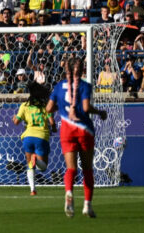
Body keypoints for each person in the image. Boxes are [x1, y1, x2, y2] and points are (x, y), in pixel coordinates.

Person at [46, 57, 108, 218]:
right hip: (84, 129)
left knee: (71, 168)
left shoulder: (59, 86)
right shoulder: (85, 85)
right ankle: (87, 205)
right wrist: (99, 112)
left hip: (66, 130)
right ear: (81, 70)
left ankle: (69, 193)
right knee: (87, 169)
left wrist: (63, 107)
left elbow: (48, 108)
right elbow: (86, 107)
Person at [12, 82, 56, 196]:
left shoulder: (24, 106)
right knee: (43, 167)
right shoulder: (45, 106)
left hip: (28, 137)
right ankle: (36, 158)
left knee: (30, 165)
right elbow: (52, 122)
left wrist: (14, 118)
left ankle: (33, 190)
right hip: (41, 136)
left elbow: (16, 122)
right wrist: (54, 128)